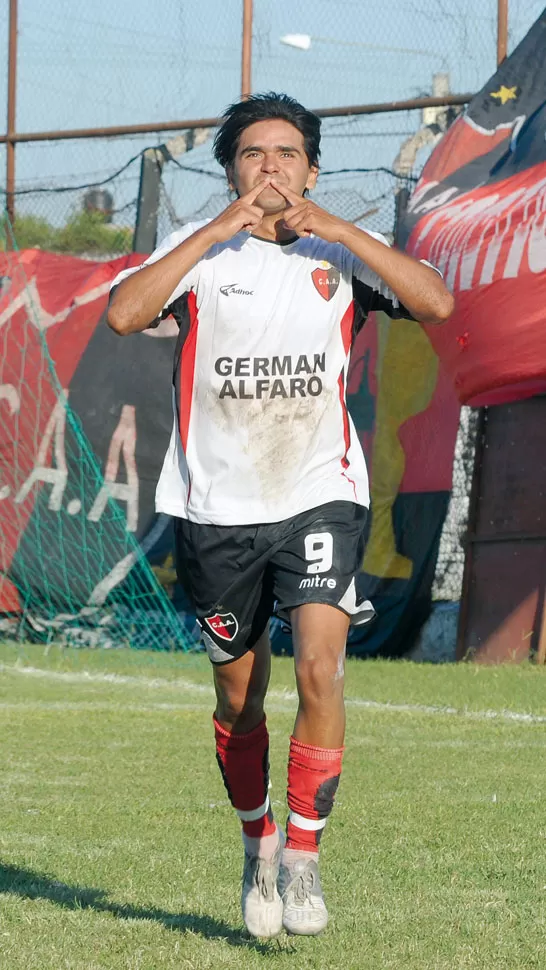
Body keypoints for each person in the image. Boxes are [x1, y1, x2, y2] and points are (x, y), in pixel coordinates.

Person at [107, 92, 454, 939]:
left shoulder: (340, 258)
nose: (272, 167)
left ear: (312, 168)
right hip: (217, 510)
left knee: (321, 668)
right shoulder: (199, 258)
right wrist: (218, 225)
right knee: (239, 700)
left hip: (319, 491)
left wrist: (338, 228)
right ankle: (256, 840)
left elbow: (436, 303)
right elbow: (122, 314)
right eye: (255, 154)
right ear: (231, 170)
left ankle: (303, 859)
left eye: (288, 153)